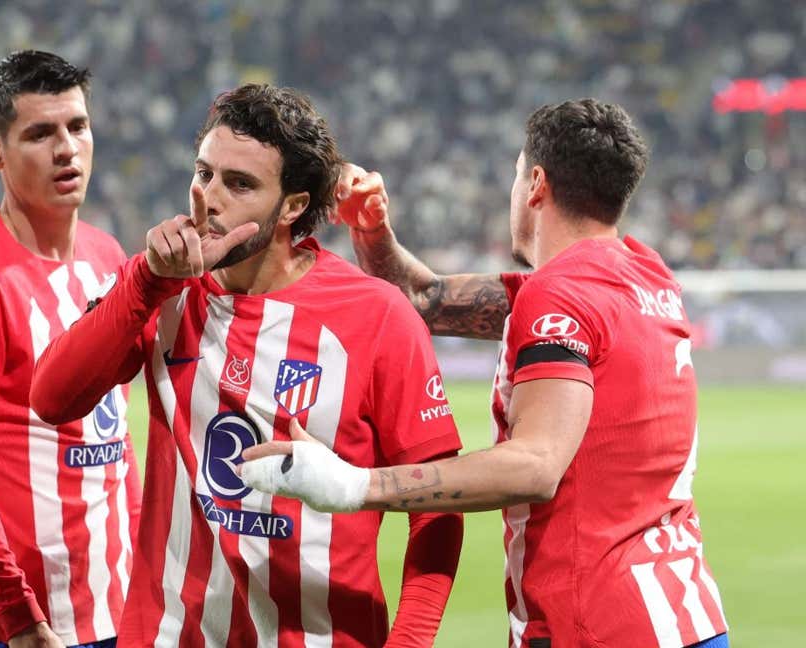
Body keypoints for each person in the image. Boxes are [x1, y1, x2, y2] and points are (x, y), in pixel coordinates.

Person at [241, 98, 730, 648]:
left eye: (517, 174)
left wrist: (355, 483)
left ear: (536, 184)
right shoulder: (646, 275)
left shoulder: (560, 296)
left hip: (601, 623)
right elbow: (424, 300)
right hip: (685, 614)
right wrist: (373, 233)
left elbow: (535, 465)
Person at [31, 83, 463, 648]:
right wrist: (148, 280)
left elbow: (437, 509)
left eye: (239, 184)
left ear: (293, 206)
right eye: (204, 172)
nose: (208, 198)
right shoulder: (160, 286)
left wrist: (410, 641)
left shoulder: (375, 317)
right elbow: (52, 397)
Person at [0, 51, 138, 648]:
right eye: (40, 133)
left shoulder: (107, 258)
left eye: (78, 126)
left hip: (118, 612)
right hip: (21, 630)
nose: (67, 149)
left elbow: (117, 445)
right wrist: (18, 616)